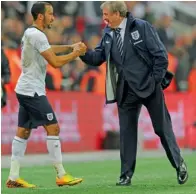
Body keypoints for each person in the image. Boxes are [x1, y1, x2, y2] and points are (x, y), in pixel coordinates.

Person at [80, 1, 188, 186]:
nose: (104, 18)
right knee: (127, 134)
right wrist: (82, 53)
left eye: (106, 14)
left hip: (149, 87)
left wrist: (154, 81)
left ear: (117, 13)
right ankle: (126, 175)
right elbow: (97, 57)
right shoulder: (107, 33)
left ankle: (179, 165)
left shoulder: (142, 27)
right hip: (125, 90)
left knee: (162, 129)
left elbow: (161, 56)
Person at [6, 1, 86, 188]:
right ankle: (61, 174)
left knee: (23, 132)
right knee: (53, 128)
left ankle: (13, 177)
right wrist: (76, 53)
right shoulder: (37, 35)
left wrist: (69, 47)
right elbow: (56, 63)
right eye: (50, 14)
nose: (53, 17)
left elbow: (48, 49)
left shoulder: (30, 33)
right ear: (41, 16)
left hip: (23, 89)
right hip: (33, 91)